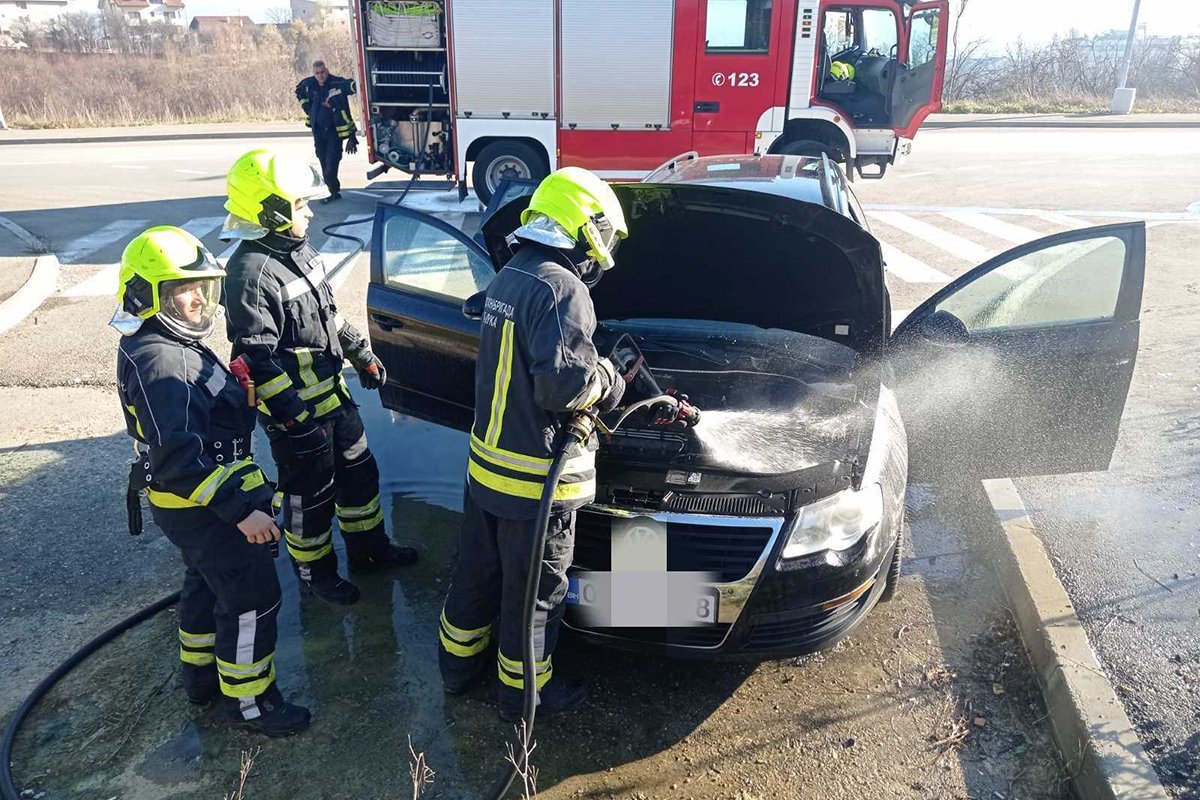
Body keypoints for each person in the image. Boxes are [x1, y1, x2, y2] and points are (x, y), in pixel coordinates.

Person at [437, 167, 629, 721]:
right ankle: (523, 697)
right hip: (533, 483)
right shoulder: (563, 288)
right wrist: (610, 379)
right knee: (535, 597)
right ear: (583, 227)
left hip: (487, 473)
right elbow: (563, 387)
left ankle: (456, 671)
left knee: (476, 575)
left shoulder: (511, 274)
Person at [113, 225, 310, 736]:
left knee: (203, 585)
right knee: (252, 600)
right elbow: (180, 457)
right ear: (146, 296)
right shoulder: (164, 360)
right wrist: (241, 512)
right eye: (182, 290)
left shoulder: (163, 340)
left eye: (202, 286)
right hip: (205, 505)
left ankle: (199, 678)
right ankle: (252, 704)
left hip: (192, 504)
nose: (197, 299)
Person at [220, 148, 417, 607]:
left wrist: (362, 354)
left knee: (360, 479)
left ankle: (370, 553)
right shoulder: (250, 273)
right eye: (298, 205)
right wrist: (295, 422)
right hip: (300, 419)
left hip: (335, 400)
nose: (307, 212)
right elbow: (255, 359)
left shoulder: (299, 251)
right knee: (309, 500)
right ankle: (316, 575)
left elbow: (327, 315)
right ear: (268, 211)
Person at [295, 59, 358, 203]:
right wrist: (308, 109)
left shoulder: (336, 83)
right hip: (318, 131)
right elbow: (298, 92)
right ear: (314, 73)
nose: (321, 76)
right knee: (322, 159)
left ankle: (331, 191)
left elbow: (353, 86)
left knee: (332, 162)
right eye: (317, 73)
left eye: (323, 72)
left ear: (327, 70)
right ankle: (333, 191)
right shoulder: (308, 84)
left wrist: (351, 137)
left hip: (334, 132)